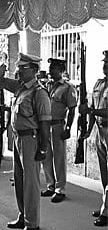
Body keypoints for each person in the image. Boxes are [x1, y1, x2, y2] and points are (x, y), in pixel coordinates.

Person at [0, 53, 51, 230]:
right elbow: (1, 82)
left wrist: (43, 148)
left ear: (34, 70)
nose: (18, 71)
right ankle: (23, 215)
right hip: (18, 138)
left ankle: (32, 222)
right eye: (18, 67)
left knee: (31, 183)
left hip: (31, 140)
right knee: (19, 179)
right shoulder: (20, 88)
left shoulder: (39, 92)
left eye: (22, 68)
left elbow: (44, 124)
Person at [41, 58, 77, 203]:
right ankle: (50, 185)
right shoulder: (47, 85)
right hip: (45, 125)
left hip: (58, 125)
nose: (50, 70)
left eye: (54, 68)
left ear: (61, 70)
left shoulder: (68, 87)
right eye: (50, 67)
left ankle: (60, 189)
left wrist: (68, 128)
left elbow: (72, 109)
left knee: (59, 158)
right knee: (46, 156)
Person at [79, 50, 108, 227]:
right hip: (100, 131)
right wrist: (88, 130)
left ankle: (106, 212)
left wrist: (90, 112)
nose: (105, 65)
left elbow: (94, 110)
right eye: (104, 62)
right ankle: (106, 203)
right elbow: (91, 106)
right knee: (104, 173)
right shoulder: (99, 83)